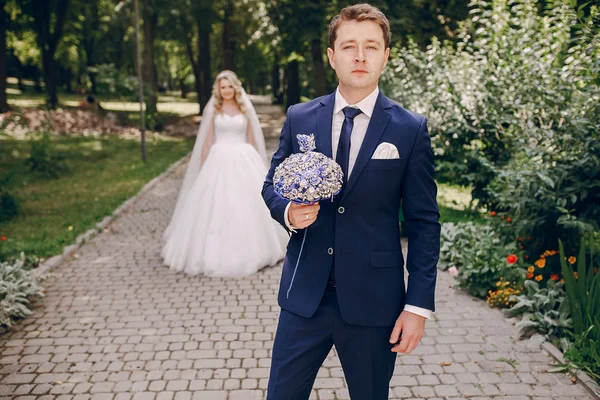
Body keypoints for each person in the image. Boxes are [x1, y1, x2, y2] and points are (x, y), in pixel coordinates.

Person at [262, 4, 440, 399]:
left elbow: (425, 223)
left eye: (371, 47)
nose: (360, 56)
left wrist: (417, 307)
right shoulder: (300, 117)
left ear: (385, 56)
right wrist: (288, 211)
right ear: (332, 55)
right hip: (304, 295)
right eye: (349, 46)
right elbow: (271, 184)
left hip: (375, 302)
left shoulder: (410, 129)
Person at [163, 70, 288, 277]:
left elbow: (253, 139)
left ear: (235, 88)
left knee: (247, 203)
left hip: (243, 156)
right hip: (218, 157)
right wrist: (202, 168)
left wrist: (260, 163)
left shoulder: (244, 108)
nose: (227, 90)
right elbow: (207, 141)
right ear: (218, 90)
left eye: (230, 86)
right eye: (223, 87)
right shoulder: (213, 109)